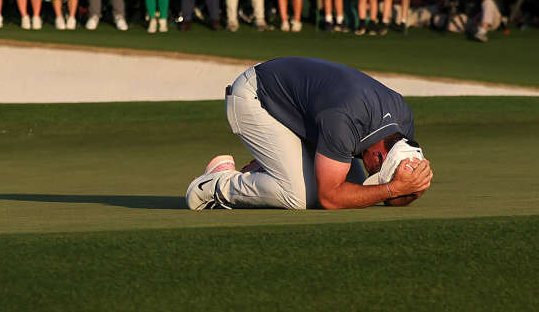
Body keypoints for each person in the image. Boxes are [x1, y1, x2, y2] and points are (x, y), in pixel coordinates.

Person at [184, 57, 432, 211]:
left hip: (299, 111)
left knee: (355, 189)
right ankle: (215, 184)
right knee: (299, 196)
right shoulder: (345, 119)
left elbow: (386, 198)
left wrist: (413, 187)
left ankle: (266, 170)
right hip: (255, 96)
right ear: (377, 158)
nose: (371, 173)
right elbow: (329, 198)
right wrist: (391, 189)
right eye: (375, 172)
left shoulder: (402, 122)